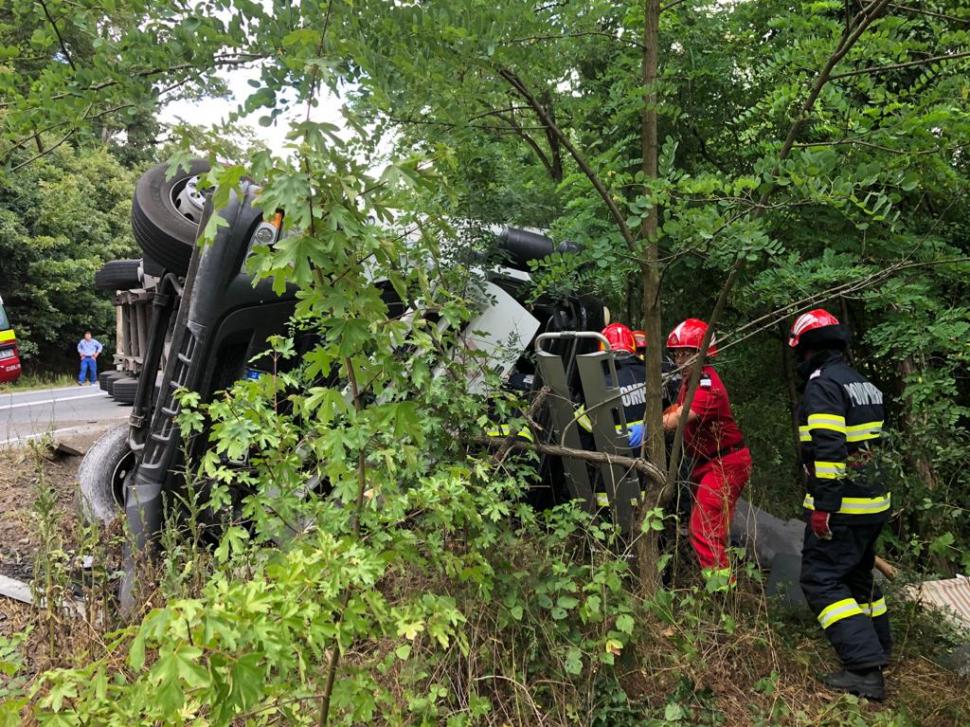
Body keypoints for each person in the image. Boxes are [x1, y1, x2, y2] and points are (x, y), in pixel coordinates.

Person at [789, 309, 890, 700]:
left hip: (843, 506)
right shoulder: (863, 383)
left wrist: (823, 507)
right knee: (859, 578)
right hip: (873, 502)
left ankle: (865, 669)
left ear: (808, 349)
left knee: (820, 579)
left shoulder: (823, 385)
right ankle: (879, 648)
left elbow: (830, 450)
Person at [661, 318, 751, 582]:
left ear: (702, 354)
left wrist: (648, 427)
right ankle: (720, 585)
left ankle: (721, 592)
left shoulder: (707, 387)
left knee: (704, 529)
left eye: (686, 354)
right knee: (711, 527)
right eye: (677, 354)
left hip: (725, 463)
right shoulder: (691, 382)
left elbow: (679, 418)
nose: (680, 361)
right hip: (707, 463)